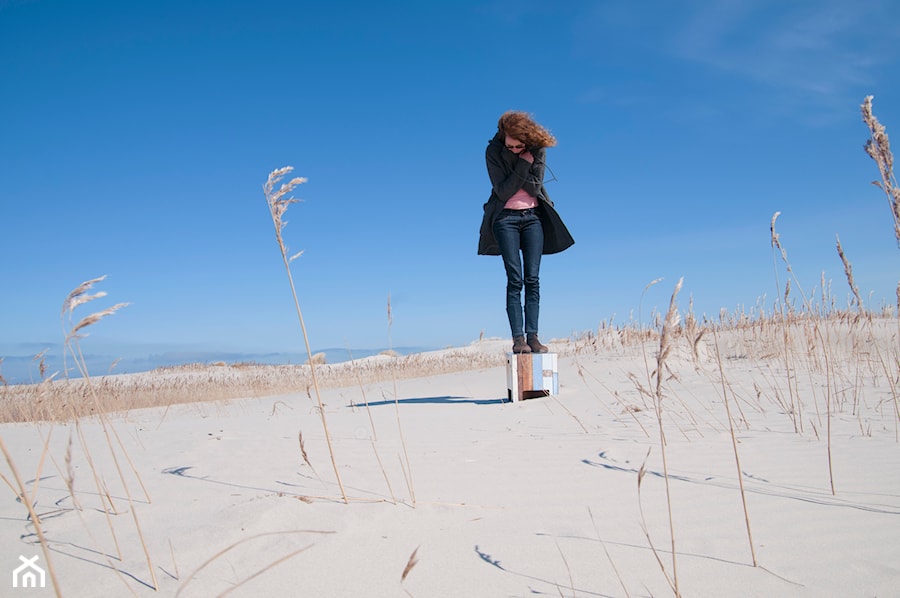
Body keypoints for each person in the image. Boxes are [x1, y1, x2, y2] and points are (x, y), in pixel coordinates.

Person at [478, 111, 574, 354]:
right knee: (515, 280)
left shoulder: (538, 149)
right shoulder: (493, 151)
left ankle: (533, 337)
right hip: (505, 219)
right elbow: (502, 191)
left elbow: (535, 187)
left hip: (533, 219)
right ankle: (518, 340)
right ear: (503, 137)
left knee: (533, 279)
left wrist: (519, 174)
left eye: (520, 147)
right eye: (510, 146)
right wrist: (523, 163)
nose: (514, 150)